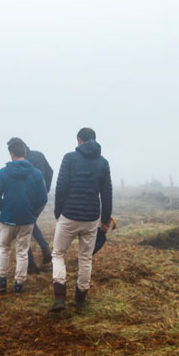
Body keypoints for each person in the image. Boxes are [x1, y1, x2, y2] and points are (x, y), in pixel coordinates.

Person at [49, 127, 112, 312]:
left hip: (69, 215)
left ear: (79, 140)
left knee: (58, 254)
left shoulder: (69, 158)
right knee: (85, 258)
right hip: (91, 218)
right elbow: (106, 195)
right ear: (94, 140)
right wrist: (105, 220)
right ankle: (81, 298)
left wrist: (58, 212)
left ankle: (60, 297)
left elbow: (61, 188)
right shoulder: (103, 163)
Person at [0, 138, 48, 293]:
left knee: (4, 249)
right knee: (22, 252)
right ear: (25, 153)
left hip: (7, 219)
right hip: (27, 220)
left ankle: (2, 280)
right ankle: (19, 284)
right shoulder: (36, 174)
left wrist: (4, 209)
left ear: (11, 154)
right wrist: (32, 213)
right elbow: (43, 198)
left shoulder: (3, 172)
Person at [6, 137, 54, 272]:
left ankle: (31, 265)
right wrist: (46, 190)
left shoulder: (19, 161)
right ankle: (45, 249)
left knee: (23, 228)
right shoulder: (39, 155)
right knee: (30, 223)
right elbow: (50, 172)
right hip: (40, 200)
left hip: (26, 200)